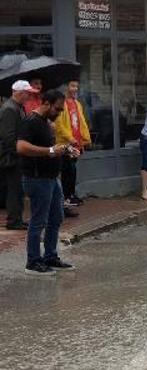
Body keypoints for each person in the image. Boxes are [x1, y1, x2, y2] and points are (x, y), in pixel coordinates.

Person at [16, 89, 79, 276]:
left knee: (56, 218)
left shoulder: (47, 123)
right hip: (37, 179)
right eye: (57, 109)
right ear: (46, 103)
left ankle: (50, 256)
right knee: (39, 221)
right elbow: (21, 147)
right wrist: (50, 151)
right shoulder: (30, 122)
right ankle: (33, 262)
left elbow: (51, 147)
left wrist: (66, 149)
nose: (59, 113)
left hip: (52, 179)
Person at [0, 80, 36, 230]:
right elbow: (8, 137)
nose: (28, 96)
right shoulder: (9, 109)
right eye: (26, 93)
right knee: (14, 189)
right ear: (18, 92)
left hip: (16, 154)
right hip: (12, 156)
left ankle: (16, 219)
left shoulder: (18, 107)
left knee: (18, 189)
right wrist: (20, 151)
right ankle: (14, 221)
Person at [54, 80, 91, 216]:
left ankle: (70, 196)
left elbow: (81, 122)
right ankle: (65, 199)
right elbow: (59, 124)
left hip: (76, 142)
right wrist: (70, 138)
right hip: (66, 142)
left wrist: (84, 138)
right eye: (72, 86)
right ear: (66, 87)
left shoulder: (77, 104)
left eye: (76, 86)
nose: (75, 88)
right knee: (67, 170)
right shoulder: (61, 104)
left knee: (72, 171)